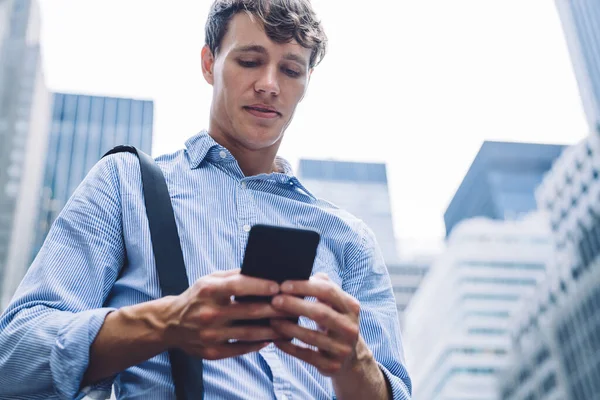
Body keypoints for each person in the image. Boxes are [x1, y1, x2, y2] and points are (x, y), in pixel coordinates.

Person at [0, 0, 412, 399]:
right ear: (209, 63)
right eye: (250, 61)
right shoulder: (125, 184)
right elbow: (13, 356)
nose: (269, 85)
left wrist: (354, 364)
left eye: (290, 70)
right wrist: (166, 323)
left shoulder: (351, 239)